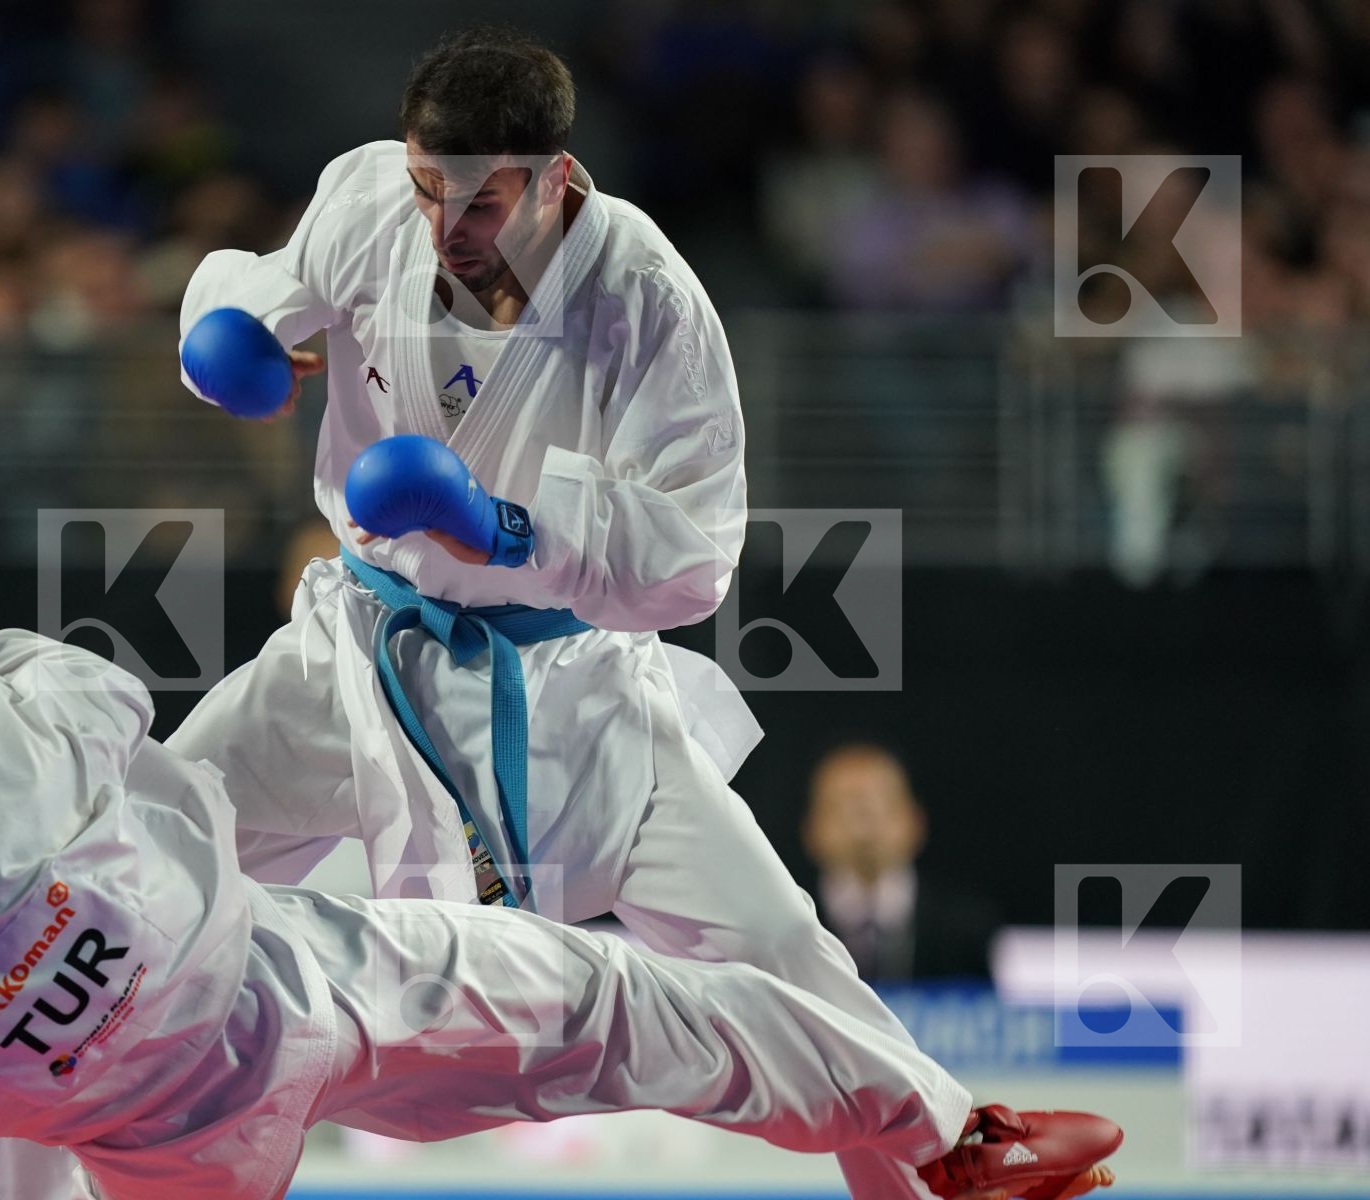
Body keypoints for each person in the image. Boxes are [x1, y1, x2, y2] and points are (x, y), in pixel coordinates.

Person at [169, 25, 1105, 1199]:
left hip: (575, 688)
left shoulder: (647, 297)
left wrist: (506, 526)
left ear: (556, 177)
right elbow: (270, 291)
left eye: (484, 201)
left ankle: (955, 1155)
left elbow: (698, 557)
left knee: (775, 946)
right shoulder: (365, 197)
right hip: (355, 653)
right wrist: (226, 340)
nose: (446, 228)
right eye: (426, 190)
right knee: (142, 849)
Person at [0, 538, 1122, 1200]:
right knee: (649, 1007)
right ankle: (945, 1136)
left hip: (174, 1160)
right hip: (314, 987)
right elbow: (85, 689)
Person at [802, 744, 1002, 982]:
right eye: (843, 808)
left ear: (915, 821)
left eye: (880, 805)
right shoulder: (784, 929)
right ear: (811, 828)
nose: (863, 825)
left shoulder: (967, 930)